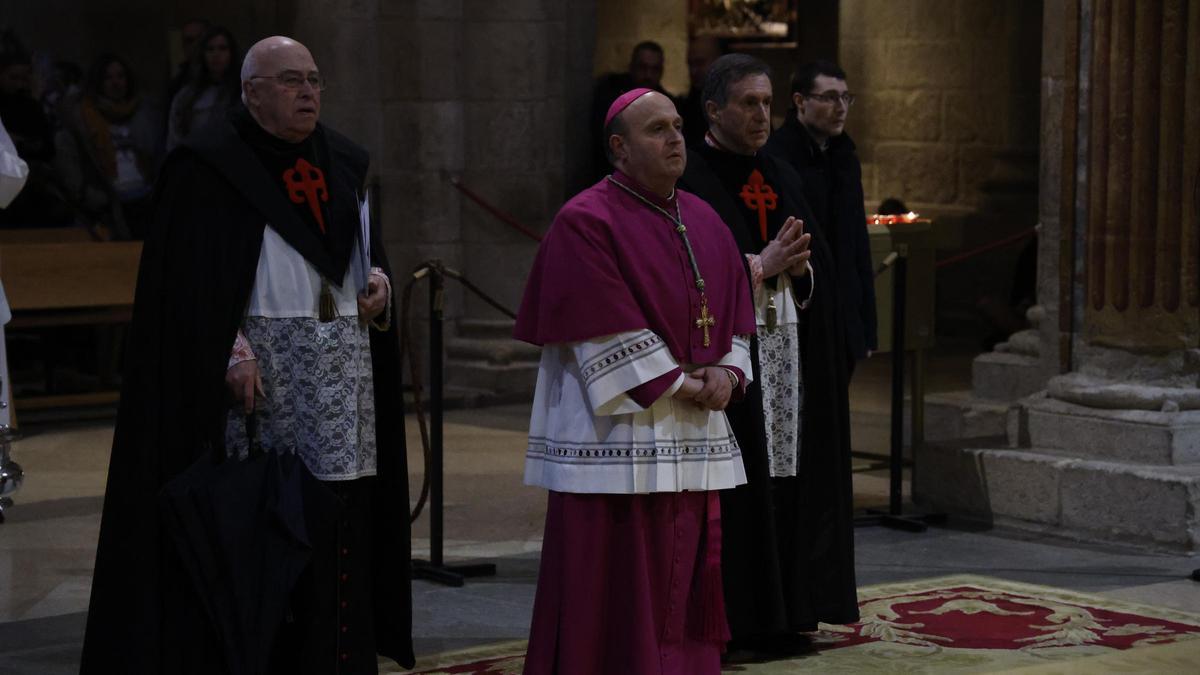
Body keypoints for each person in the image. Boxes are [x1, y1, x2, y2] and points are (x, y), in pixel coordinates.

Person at [80, 36, 414, 674]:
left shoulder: (342, 160)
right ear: (250, 91)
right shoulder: (209, 167)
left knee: (337, 517)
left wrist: (380, 285)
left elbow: (367, 249)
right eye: (290, 81)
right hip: (262, 377)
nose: (308, 92)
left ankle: (334, 657)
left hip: (342, 371)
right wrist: (229, 350)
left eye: (314, 79)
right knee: (266, 520)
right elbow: (190, 285)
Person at [516, 88, 756, 674]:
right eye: (657, 130)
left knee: (684, 568)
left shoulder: (704, 218)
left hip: (689, 427)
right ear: (619, 148)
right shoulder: (585, 220)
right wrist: (684, 384)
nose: (675, 138)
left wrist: (729, 371)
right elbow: (598, 321)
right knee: (612, 577)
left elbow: (736, 313)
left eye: (678, 125)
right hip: (615, 433)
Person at [678, 53, 859, 656]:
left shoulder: (782, 173)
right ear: (712, 110)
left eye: (766, 102)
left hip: (790, 361)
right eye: (748, 103)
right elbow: (688, 277)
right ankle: (735, 621)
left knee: (790, 483)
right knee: (742, 491)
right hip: (728, 364)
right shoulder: (691, 179)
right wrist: (763, 266)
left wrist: (804, 274)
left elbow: (819, 267)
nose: (762, 115)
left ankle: (788, 612)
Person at [765, 60, 877, 375]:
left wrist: (865, 326)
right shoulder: (777, 157)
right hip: (802, 308)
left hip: (843, 307)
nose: (840, 107)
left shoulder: (844, 158)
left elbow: (858, 243)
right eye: (829, 97)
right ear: (800, 101)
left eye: (845, 98)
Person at [56, 54, 161, 238]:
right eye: (108, 77)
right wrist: (93, 198)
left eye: (120, 76)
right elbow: (71, 166)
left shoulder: (143, 112)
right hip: (108, 206)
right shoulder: (82, 119)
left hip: (145, 198)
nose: (116, 83)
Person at [589, 41, 668, 179]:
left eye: (655, 69)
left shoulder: (667, 104)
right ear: (631, 67)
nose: (648, 75)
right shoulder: (610, 94)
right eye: (642, 67)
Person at [167, 25, 241, 151]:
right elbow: (175, 138)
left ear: (231, 53)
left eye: (222, 48)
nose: (216, 54)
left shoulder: (242, 92)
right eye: (210, 49)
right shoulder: (186, 96)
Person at [675, 36, 724, 148]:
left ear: (717, 62)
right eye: (690, 64)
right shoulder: (686, 107)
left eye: (700, 63)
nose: (693, 71)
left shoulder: (734, 100)